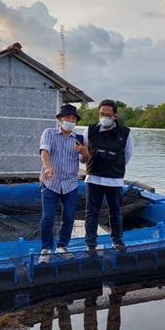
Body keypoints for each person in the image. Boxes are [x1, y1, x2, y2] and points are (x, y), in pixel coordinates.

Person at [39, 104, 89, 263]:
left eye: (73, 118)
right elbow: (44, 151)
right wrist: (48, 167)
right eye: (68, 117)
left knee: (69, 217)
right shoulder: (49, 133)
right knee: (47, 217)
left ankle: (62, 246)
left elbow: (84, 160)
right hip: (51, 182)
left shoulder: (79, 138)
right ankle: (45, 249)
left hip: (70, 184)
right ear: (60, 119)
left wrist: (85, 153)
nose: (70, 120)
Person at [82, 99, 133, 254]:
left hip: (114, 179)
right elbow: (84, 152)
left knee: (115, 211)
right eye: (102, 114)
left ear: (115, 116)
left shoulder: (125, 133)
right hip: (94, 178)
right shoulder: (90, 130)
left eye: (108, 114)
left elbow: (127, 155)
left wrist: (115, 168)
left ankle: (117, 241)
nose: (104, 117)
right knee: (92, 211)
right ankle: (90, 243)